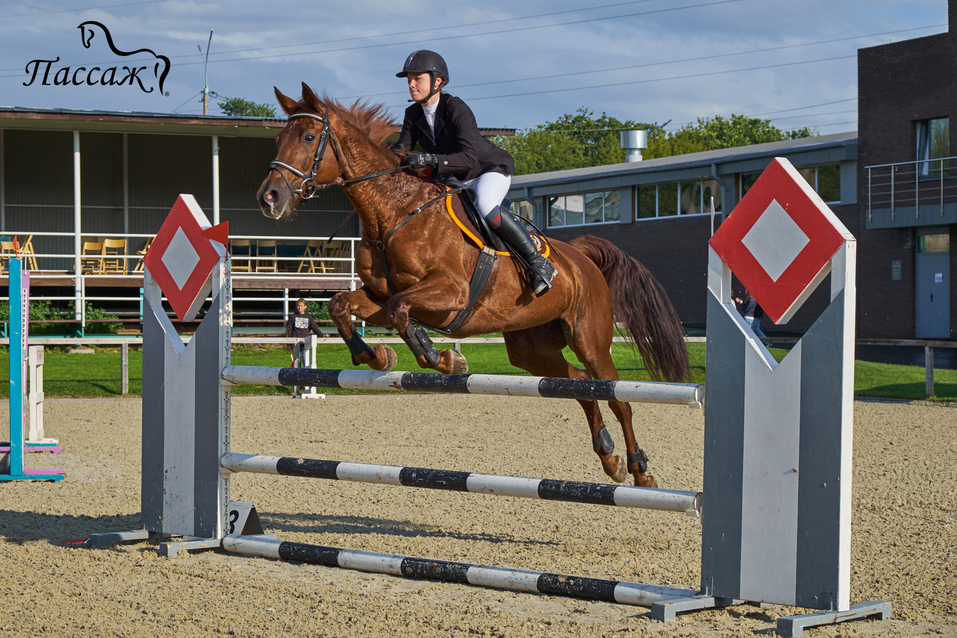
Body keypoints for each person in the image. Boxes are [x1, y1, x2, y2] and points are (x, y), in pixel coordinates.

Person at [392, 49, 555, 296]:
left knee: (487, 205)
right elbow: (400, 151)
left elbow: (468, 158)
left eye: (418, 79)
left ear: (437, 81)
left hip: (486, 171)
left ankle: (538, 263)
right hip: (453, 178)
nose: (412, 85)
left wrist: (430, 159)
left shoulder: (456, 108)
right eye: (409, 80)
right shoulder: (412, 114)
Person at [286, 297, 327, 367]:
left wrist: (322, 335)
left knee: (306, 360)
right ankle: (297, 376)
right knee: (297, 361)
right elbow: (290, 330)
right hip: (295, 342)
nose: (300, 307)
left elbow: (315, 328)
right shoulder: (293, 316)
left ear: (305, 307)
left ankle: (305, 374)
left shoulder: (309, 317)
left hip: (306, 341)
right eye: (298, 306)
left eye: (301, 306)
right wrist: (288, 343)